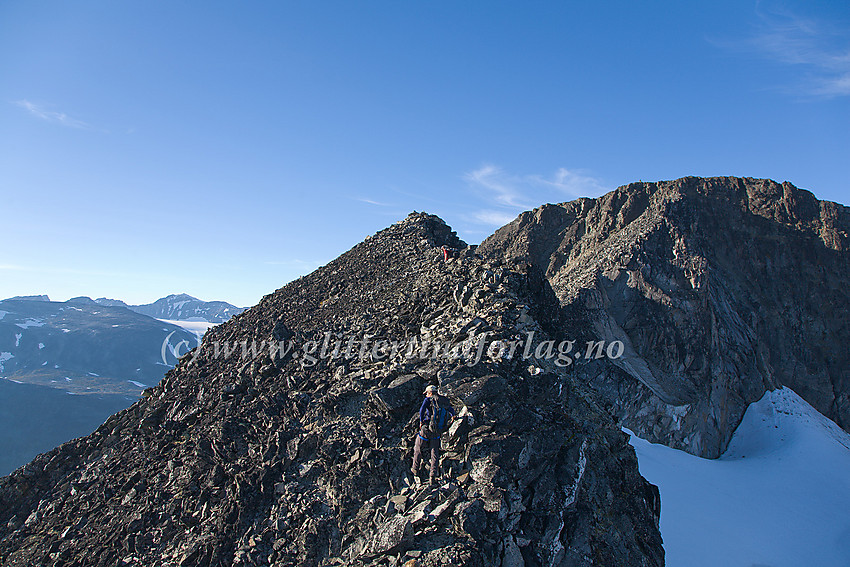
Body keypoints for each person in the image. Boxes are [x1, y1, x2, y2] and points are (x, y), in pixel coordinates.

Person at [411, 385, 455, 485]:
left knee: (418, 447)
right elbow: (451, 410)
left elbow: (421, 410)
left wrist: (421, 421)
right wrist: (453, 417)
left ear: (430, 393)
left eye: (426, 393)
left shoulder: (428, 400)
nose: (426, 395)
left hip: (426, 428)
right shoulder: (443, 401)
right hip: (437, 431)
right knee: (434, 452)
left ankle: (415, 469)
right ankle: (432, 476)